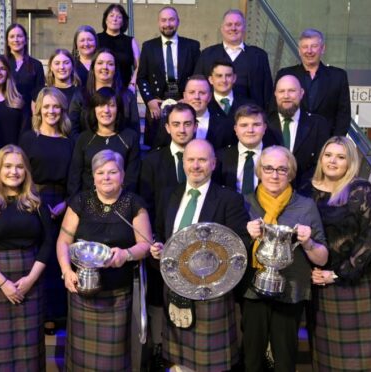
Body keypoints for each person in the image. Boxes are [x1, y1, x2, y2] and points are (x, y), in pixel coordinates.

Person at [149, 139, 250, 371]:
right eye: (191, 160)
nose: (196, 165)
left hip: (212, 290)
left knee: (210, 363)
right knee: (177, 360)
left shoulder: (229, 199)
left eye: (202, 160)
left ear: (213, 164)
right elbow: (163, 233)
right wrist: (159, 248)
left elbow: (240, 243)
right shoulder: (169, 194)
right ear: (183, 163)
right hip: (175, 287)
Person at [57, 149, 152, 371]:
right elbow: (63, 241)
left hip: (118, 295)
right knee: (81, 361)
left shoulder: (133, 203)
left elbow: (145, 245)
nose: (106, 177)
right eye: (100, 172)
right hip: (83, 293)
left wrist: (126, 254)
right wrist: (65, 271)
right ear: (93, 176)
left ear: (122, 175)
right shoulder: (80, 201)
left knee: (113, 360)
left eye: (112, 172)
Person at [241, 146, 328, 372]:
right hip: (252, 290)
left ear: (291, 174)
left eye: (282, 169)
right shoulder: (245, 203)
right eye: (268, 168)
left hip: (291, 291)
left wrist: (308, 242)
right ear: (259, 171)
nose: (275, 174)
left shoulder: (305, 206)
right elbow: (232, 251)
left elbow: (322, 257)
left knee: (285, 360)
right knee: (251, 359)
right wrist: (247, 237)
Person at [310, 136, 371, 370]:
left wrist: (338, 274)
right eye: (328, 155)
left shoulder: (361, 190)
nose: (333, 161)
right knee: (328, 353)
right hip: (321, 283)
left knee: (361, 356)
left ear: (350, 162)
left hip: (358, 280)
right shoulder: (309, 190)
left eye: (340, 157)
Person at [0, 145, 53, 370]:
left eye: (19, 167)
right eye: (7, 166)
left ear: (26, 171)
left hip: (30, 279)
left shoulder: (37, 202)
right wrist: (4, 283)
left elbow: (47, 243)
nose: (13, 172)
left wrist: (30, 280)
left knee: (30, 347)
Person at [139, 103, 198, 370]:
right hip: (160, 244)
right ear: (167, 127)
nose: (182, 129)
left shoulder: (206, 157)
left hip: (197, 250)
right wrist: (153, 240)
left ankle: (188, 351)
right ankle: (159, 348)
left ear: (195, 126)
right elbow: (146, 205)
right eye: (176, 124)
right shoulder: (152, 161)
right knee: (157, 300)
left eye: (187, 124)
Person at [19, 87, 74, 330]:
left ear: (62, 110)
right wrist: (33, 200)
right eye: (47, 106)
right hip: (34, 200)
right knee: (37, 257)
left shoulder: (71, 141)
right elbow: (21, 174)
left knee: (57, 259)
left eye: (56, 107)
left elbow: (75, 178)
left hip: (63, 203)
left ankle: (57, 314)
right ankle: (37, 313)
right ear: (39, 109)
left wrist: (66, 204)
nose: (51, 111)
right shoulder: (28, 138)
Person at [137, 6, 200, 147]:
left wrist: (190, 97)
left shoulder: (192, 46)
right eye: (163, 20)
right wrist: (149, 100)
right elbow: (142, 77)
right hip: (158, 103)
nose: (167, 24)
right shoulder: (149, 47)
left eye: (171, 20)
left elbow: (198, 75)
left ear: (178, 22)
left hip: (184, 99)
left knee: (185, 142)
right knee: (156, 146)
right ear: (159, 23)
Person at [276, 29, 351, 137]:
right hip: (293, 141)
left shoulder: (338, 76)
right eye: (305, 47)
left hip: (326, 143)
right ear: (299, 50)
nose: (309, 51)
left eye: (314, 46)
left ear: (323, 48)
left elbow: (343, 115)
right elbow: (274, 110)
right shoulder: (285, 74)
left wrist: (335, 142)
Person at [67, 87, 140, 197]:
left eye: (111, 105)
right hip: (87, 202)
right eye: (101, 105)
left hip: (121, 201)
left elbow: (132, 179)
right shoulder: (84, 138)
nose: (106, 110)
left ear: (118, 109)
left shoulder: (130, 137)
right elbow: (74, 177)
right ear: (94, 109)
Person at [195, 9, 273, 109]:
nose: (233, 28)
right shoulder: (207, 55)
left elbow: (267, 92)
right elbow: (197, 86)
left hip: (251, 116)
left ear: (244, 28)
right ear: (222, 29)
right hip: (214, 115)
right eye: (229, 24)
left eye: (237, 24)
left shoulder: (259, 56)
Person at [268, 75, 330, 192]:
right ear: (275, 94)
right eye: (281, 91)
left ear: (301, 93)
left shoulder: (318, 124)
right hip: (268, 193)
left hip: (306, 194)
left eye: (291, 91)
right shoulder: (263, 123)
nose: (286, 96)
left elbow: (321, 162)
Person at [69, 48, 140, 137]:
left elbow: (134, 130)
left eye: (110, 64)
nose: (105, 67)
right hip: (86, 148)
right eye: (100, 63)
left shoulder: (127, 96)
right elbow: (73, 130)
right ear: (93, 67)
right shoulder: (80, 95)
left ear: (115, 69)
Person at [216, 103, 280, 194]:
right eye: (244, 125)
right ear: (236, 129)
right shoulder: (221, 157)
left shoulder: (277, 157)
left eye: (256, 125)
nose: (250, 130)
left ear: (265, 128)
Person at [178, 75, 234, 149]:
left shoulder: (225, 126)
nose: (196, 97)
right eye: (192, 92)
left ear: (210, 96)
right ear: (184, 96)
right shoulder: (171, 123)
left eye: (202, 93)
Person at [96, 4, 140, 90]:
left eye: (119, 17)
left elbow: (139, 66)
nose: (115, 19)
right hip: (100, 90)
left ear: (123, 22)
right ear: (106, 20)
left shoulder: (130, 41)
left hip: (125, 89)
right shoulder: (97, 39)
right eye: (111, 16)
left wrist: (133, 84)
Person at [5, 23, 46, 107]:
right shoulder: (1, 63)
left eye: (19, 36)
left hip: (28, 113)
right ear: (7, 42)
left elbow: (39, 93)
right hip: (4, 110)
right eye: (12, 37)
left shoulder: (36, 65)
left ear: (25, 40)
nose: (16, 40)